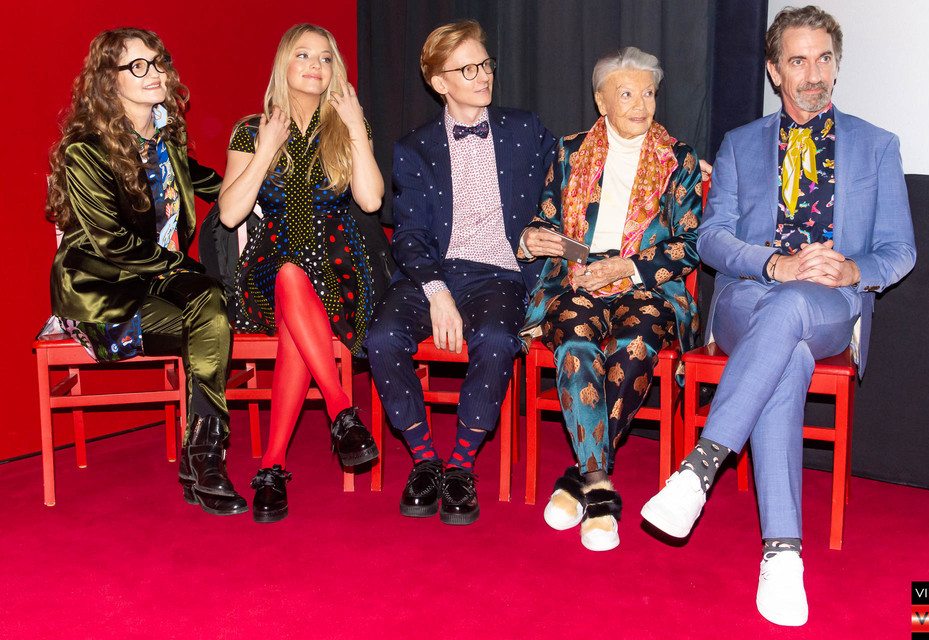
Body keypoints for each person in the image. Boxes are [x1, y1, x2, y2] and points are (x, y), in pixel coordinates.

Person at [641, 5, 916, 626]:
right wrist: (774, 264)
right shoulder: (740, 145)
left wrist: (850, 270)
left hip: (828, 304)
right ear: (774, 71)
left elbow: (900, 249)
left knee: (792, 316)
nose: (812, 74)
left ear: (837, 66)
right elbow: (712, 239)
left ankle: (700, 469)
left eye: (824, 59)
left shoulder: (877, 145)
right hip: (746, 295)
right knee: (783, 337)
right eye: (798, 60)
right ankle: (783, 555)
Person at [46, 28, 247, 516]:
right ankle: (204, 459)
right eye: (138, 66)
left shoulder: (164, 141)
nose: (154, 73)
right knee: (211, 317)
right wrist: (186, 267)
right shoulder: (86, 151)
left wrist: (265, 183)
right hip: (102, 292)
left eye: (158, 62)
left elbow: (210, 182)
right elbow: (112, 243)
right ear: (107, 80)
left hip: (157, 279)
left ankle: (203, 454)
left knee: (210, 306)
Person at [364, 20, 556, 525]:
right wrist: (437, 292)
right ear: (438, 82)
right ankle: (425, 459)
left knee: (496, 339)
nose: (483, 75)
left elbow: (576, 170)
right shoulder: (414, 148)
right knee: (380, 338)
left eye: (485, 64)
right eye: (467, 69)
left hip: (499, 273)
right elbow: (408, 235)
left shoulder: (524, 129)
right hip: (430, 272)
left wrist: (673, 161)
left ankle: (461, 466)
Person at [518, 47, 703, 552]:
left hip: (646, 284)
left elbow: (689, 246)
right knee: (575, 343)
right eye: (626, 94)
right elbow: (547, 220)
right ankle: (600, 487)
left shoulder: (679, 160)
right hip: (577, 280)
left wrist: (627, 267)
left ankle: (582, 479)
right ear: (601, 101)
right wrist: (533, 237)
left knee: (635, 345)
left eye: (649, 93)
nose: (641, 104)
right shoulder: (569, 151)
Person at [217, 23, 386, 523]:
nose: (316, 65)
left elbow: (371, 200)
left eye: (325, 57)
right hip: (268, 266)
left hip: (339, 265)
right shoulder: (252, 129)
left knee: (298, 295)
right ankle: (342, 411)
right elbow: (230, 213)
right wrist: (266, 149)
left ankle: (272, 467)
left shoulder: (347, 124)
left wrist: (355, 127)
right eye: (303, 55)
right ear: (283, 64)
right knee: (290, 275)